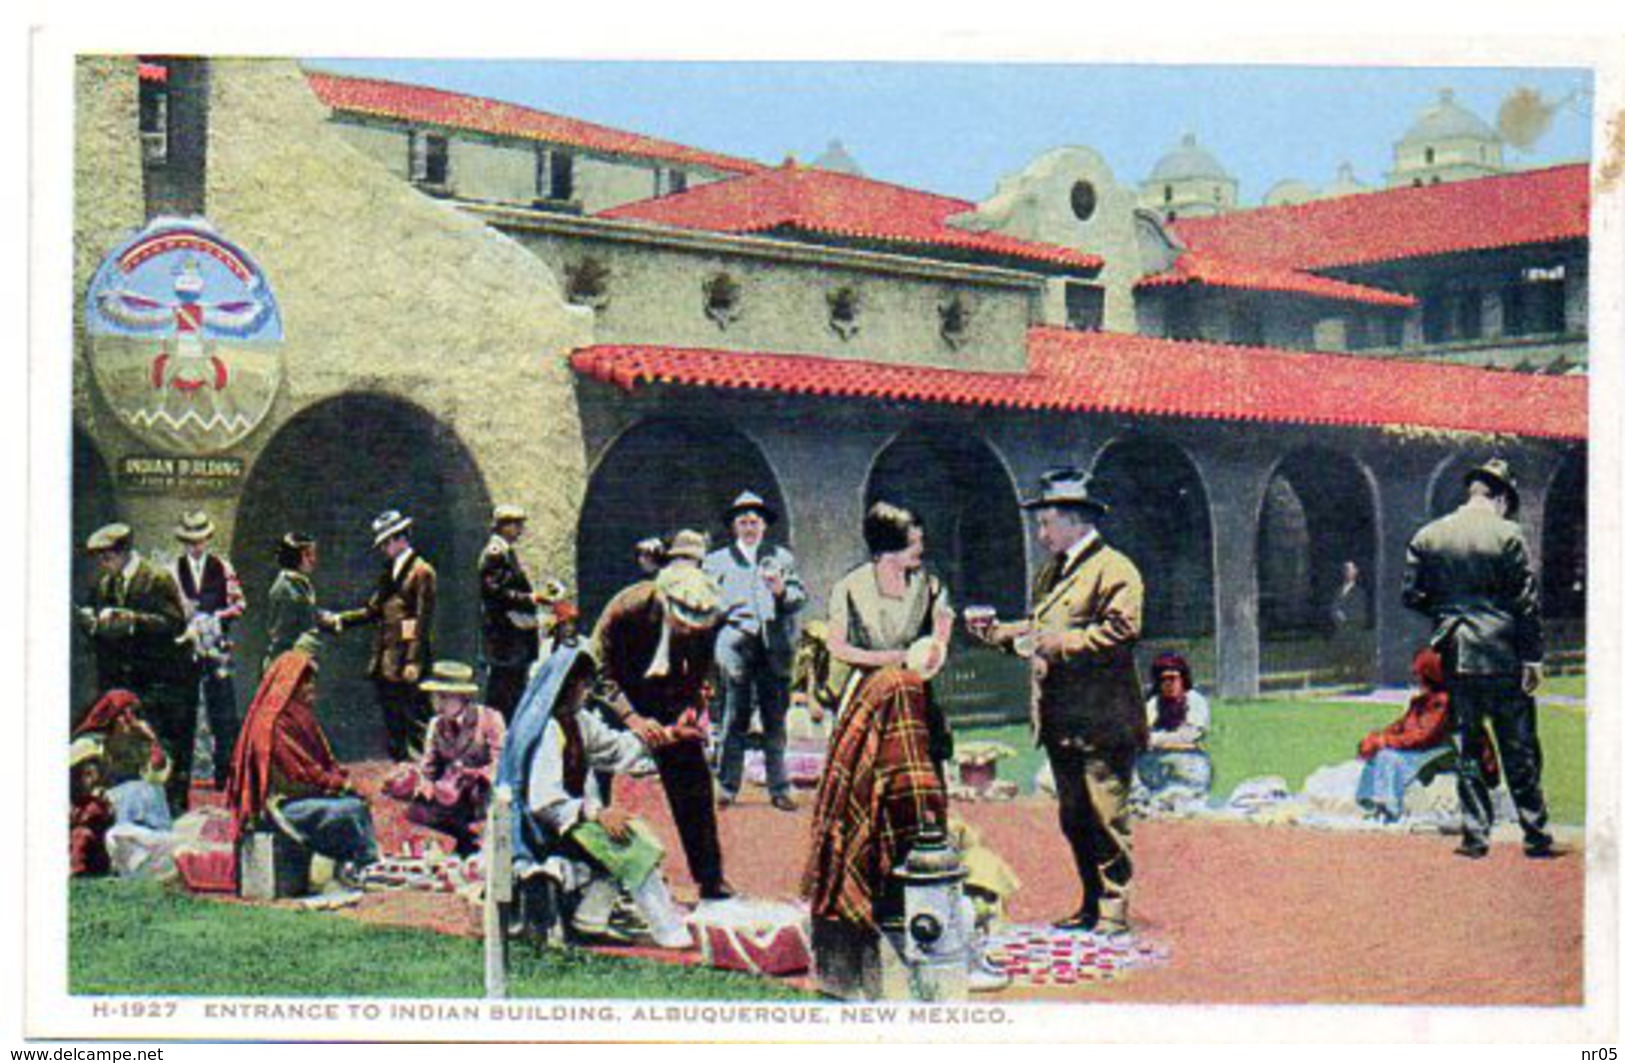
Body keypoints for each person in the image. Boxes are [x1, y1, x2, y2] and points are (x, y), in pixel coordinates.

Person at [970, 467, 1146, 935]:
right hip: (1060, 716)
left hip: (1103, 715)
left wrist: (1059, 643)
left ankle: (1113, 908)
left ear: (1075, 521)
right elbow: (1037, 628)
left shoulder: (1115, 569)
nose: (1041, 534)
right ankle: (1090, 902)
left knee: (1106, 814)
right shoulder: (1053, 571)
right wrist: (1000, 635)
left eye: (1046, 524)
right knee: (1074, 817)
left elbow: (1122, 631)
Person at [1403, 458, 1554, 859]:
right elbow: (1526, 603)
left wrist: (1449, 614)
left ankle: (1475, 836)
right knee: (1518, 747)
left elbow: (1411, 594)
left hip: (1457, 653)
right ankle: (1535, 833)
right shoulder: (1508, 535)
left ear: (1471, 492)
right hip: (1503, 653)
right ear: (1501, 497)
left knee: (1468, 745)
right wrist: (1533, 658)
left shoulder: (1429, 535)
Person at [499, 643, 696, 948]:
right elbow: (542, 800)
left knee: (630, 836)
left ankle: (590, 917)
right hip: (542, 827)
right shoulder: (548, 731)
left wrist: (670, 734)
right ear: (565, 686)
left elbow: (615, 749)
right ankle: (669, 931)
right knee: (630, 844)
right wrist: (596, 813)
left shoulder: (579, 721)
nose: (587, 691)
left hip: (571, 817)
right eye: (582, 684)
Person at [591, 563, 732, 900]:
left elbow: (703, 667)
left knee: (693, 781)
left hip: (666, 694)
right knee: (596, 781)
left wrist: (692, 705)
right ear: (664, 601)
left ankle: (710, 877)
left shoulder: (708, 617)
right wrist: (632, 719)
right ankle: (597, 874)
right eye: (681, 620)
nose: (687, 630)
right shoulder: (628, 607)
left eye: (695, 625)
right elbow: (598, 670)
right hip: (617, 696)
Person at [226, 650, 380, 880]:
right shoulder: (274, 724)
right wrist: (347, 785)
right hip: (280, 810)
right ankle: (367, 865)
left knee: (354, 805)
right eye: (305, 682)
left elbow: (322, 768)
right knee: (350, 809)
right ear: (289, 685)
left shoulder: (298, 717)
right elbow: (301, 776)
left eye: (312, 681)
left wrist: (345, 785)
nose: (311, 688)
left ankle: (362, 863)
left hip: (302, 799)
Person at [78, 523, 198, 815]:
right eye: (100, 560)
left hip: (158, 680)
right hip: (122, 681)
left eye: (107, 558)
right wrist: (93, 625)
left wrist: (132, 620)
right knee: (126, 747)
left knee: (162, 743)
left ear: (123, 552)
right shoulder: (106, 585)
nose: (103, 565)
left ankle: (171, 809)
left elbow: (174, 624)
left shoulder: (156, 578)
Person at [825, 501, 955, 765]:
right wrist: (893, 658)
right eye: (912, 544)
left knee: (926, 758)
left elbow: (943, 622)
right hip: (871, 688)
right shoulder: (850, 587)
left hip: (915, 686)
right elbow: (837, 646)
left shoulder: (929, 585)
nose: (921, 549)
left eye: (920, 542)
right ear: (887, 547)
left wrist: (934, 649)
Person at [704, 492, 807, 811]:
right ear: (734, 527)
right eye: (743, 522)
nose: (750, 528)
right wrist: (721, 614)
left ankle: (779, 787)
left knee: (775, 718)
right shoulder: (717, 561)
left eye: (755, 522)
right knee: (735, 714)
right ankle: (727, 786)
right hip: (735, 642)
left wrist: (779, 591)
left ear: (764, 526)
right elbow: (705, 603)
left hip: (773, 645)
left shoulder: (780, 557)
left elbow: (798, 597)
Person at [333, 510, 438, 762]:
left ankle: (427, 775)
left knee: (414, 720)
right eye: (383, 543)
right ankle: (401, 771)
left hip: (406, 661)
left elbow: (420, 621)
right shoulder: (388, 570)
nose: (384, 548)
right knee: (392, 721)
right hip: (386, 659)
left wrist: (413, 660)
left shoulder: (422, 572)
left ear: (401, 538)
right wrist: (341, 620)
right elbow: (373, 609)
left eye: (387, 542)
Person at [1355, 647, 1500, 823]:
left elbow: (1424, 736)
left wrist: (1384, 741)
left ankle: (1390, 812)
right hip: (1433, 748)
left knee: (1390, 757)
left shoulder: (1445, 700)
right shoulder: (1425, 700)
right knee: (1381, 753)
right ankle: (1372, 804)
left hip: (1456, 753)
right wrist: (1376, 738)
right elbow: (1402, 726)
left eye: (1419, 673)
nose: (1416, 678)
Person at [388, 661, 506, 855]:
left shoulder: (490, 719)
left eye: (444, 697)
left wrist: (474, 775)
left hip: (481, 794)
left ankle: (472, 843)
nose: (437, 704)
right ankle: (463, 843)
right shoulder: (436, 724)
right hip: (450, 795)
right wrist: (420, 782)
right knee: (415, 811)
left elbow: (501, 763)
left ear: (463, 698)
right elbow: (429, 765)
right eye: (434, 696)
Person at [172, 510, 246, 790]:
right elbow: (170, 608)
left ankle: (224, 775)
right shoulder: (173, 570)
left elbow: (240, 605)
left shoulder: (222, 567)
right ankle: (182, 776)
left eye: (200, 540)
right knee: (184, 711)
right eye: (190, 541)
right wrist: (187, 619)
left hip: (217, 648)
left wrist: (217, 618)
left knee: (223, 712)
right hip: (188, 648)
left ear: (207, 539)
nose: (196, 546)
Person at [73, 689, 173, 833]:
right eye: (123, 713)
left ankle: (159, 837)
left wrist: (152, 741)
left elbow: (156, 779)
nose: (129, 719)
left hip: (123, 812)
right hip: (95, 811)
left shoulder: (136, 746)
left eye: (133, 714)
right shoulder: (89, 744)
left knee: (151, 790)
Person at [480, 505, 544, 722]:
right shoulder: (495, 554)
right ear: (502, 526)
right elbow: (496, 593)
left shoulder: (506, 552)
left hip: (511, 637)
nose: (520, 530)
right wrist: (530, 599)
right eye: (515, 525)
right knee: (503, 690)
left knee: (512, 688)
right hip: (504, 637)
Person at [1135, 652, 1212, 813]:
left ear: (1183, 679)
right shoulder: (1153, 703)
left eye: (1173, 678)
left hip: (1188, 766)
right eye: (1163, 679)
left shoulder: (1195, 701)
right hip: (1156, 767)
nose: (1169, 684)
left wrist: (1155, 739)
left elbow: (1189, 736)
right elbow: (1141, 736)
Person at [263, 533, 337, 669]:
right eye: (308, 555)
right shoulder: (289, 586)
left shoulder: (298, 583)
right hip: (287, 661)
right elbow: (287, 629)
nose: (314, 560)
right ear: (294, 556)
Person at [69, 737, 116, 877]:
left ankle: (77, 870)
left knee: (81, 834)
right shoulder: (73, 797)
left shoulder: (99, 798)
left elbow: (100, 817)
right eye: (84, 774)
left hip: (95, 854)